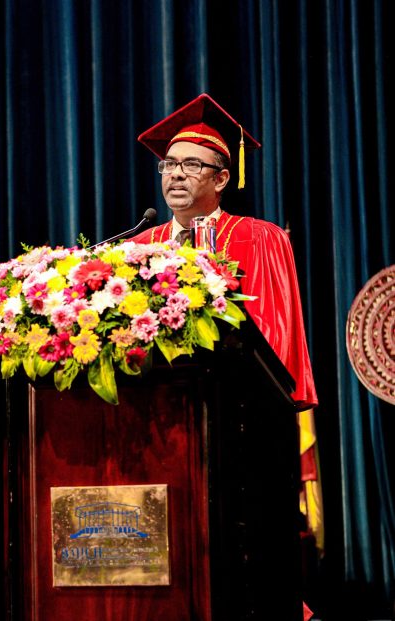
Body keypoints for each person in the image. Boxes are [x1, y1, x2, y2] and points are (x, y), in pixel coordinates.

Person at [131, 93, 317, 411]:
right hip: (152, 407)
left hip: (239, 408)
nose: (176, 173)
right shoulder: (137, 247)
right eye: (169, 164)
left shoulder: (260, 239)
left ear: (221, 179)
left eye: (191, 165)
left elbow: (275, 337)